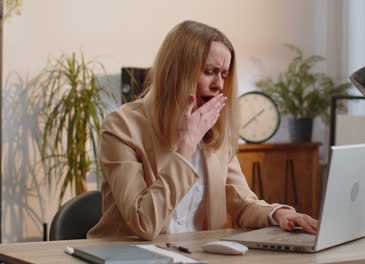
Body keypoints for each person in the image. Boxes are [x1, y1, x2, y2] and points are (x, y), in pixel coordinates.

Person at [87, 20, 317, 240]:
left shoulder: (216, 132)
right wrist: (186, 146)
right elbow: (144, 222)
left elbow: (242, 203)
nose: (219, 85)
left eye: (224, 74)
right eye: (209, 71)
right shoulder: (121, 126)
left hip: (197, 255)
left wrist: (278, 214)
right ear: (175, 72)